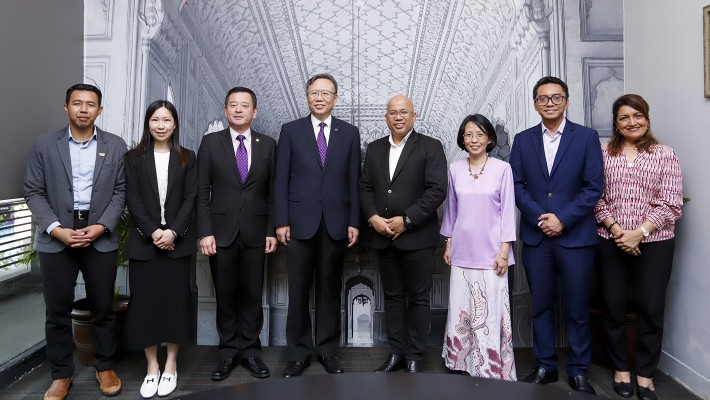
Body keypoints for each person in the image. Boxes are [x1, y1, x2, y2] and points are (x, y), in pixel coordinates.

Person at [24, 84, 126, 400]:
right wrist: (56, 229)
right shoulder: (44, 145)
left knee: (102, 308)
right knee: (57, 311)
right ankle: (61, 375)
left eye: (90, 104)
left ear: (99, 110)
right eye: (77, 103)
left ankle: (105, 367)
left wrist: (100, 227)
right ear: (66, 107)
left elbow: (121, 192)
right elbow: (33, 192)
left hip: (98, 236)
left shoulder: (116, 145)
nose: (84, 109)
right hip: (57, 238)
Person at [509, 76, 604, 394]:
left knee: (577, 308)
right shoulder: (523, 141)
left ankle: (578, 370)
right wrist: (539, 218)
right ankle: (545, 366)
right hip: (537, 239)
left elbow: (594, 186)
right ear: (535, 103)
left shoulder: (587, 137)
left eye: (555, 97)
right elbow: (517, 186)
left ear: (566, 101)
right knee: (541, 306)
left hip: (575, 237)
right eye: (542, 98)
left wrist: (563, 219)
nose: (549, 103)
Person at [594, 94, 682, 400]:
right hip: (611, 241)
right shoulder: (603, 153)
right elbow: (595, 198)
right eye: (624, 118)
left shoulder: (664, 154)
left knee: (651, 309)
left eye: (638, 116)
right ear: (616, 123)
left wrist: (639, 233)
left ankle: (645, 375)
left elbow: (671, 204)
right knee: (614, 307)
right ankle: (621, 369)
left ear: (647, 117)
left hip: (655, 244)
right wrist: (619, 232)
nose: (632, 122)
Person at [274, 73, 361, 377]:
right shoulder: (290, 131)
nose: (320, 98)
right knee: (298, 290)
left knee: (330, 289)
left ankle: (327, 351)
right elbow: (280, 179)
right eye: (314, 93)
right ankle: (297, 354)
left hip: (336, 223)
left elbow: (353, 180)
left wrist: (353, 221)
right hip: (298, 223)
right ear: (307, 97)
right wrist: (281, 221)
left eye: (326, 93)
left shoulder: (349, 133)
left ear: (336, 98)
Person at [360, 95, 447, 373]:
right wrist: (373, 217)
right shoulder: (373, 149)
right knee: (393, 296)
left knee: (418, 298)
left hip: (417, 237)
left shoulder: (431, 147)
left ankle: (414, 356)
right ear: (386, 117)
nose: (398, 117)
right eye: (393, 113)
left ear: (414, 116)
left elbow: (437, 190)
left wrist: (407, 220)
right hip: (382, 236)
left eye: (404, 112)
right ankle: (396, 352)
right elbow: (365, 188)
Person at [197, 87, 277, 380]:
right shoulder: (210, 144)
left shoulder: (268, 145)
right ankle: (228, 353)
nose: (239, 110)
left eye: (245, 106)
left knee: (253, 294)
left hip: (257, 233)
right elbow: (201, 192)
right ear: (226, 110)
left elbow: (272, 194)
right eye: (233, 105)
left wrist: (270, 230)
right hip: (220, 234)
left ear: (255, 112)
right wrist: (205, 232)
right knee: (226, 295)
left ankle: (252, 353)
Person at [124, 100, 197, 398]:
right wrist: (154, 231)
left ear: (175, 124)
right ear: (148, 123)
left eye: (167, 120)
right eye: (155, 120)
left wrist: (173, 232)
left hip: (177, 246)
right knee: (145, 306)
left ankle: (171, 365)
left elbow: (191, 198)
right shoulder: (133, 158)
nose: (161, 125)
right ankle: (151, 367)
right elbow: (132, 199)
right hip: (145, 244)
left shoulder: (187, 157)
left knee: (176, 304)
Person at [440, 114, 516, 380]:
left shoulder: (502, 169)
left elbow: (508, 213)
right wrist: (448, 242)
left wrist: (504, 251)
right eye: (469, 134)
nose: (474, 140)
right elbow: (451, 210)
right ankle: (460, 361)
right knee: (463, 309)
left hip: (492, 252)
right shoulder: (455, 168)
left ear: (489, 139)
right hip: (461, 251)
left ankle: (489, 365)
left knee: (489, 312)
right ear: (462, 138)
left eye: (480, 134)